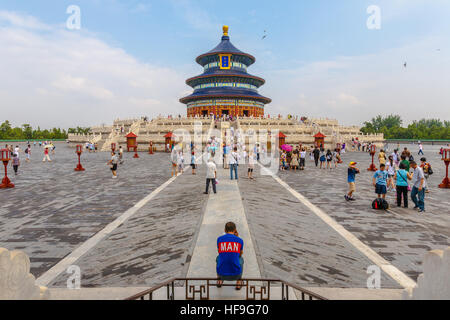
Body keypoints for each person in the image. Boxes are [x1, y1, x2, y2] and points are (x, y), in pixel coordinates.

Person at [216, 222, 244, 290]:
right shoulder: (240, 240)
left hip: (222, 274)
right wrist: (236, 237)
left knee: (218, 258)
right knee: (241, 259)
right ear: (235, 230)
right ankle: (238, 282)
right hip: (236, 274)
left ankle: (219, 280)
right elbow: (240, 254)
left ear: (225, 230)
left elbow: (219, 252)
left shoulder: (219, 239)